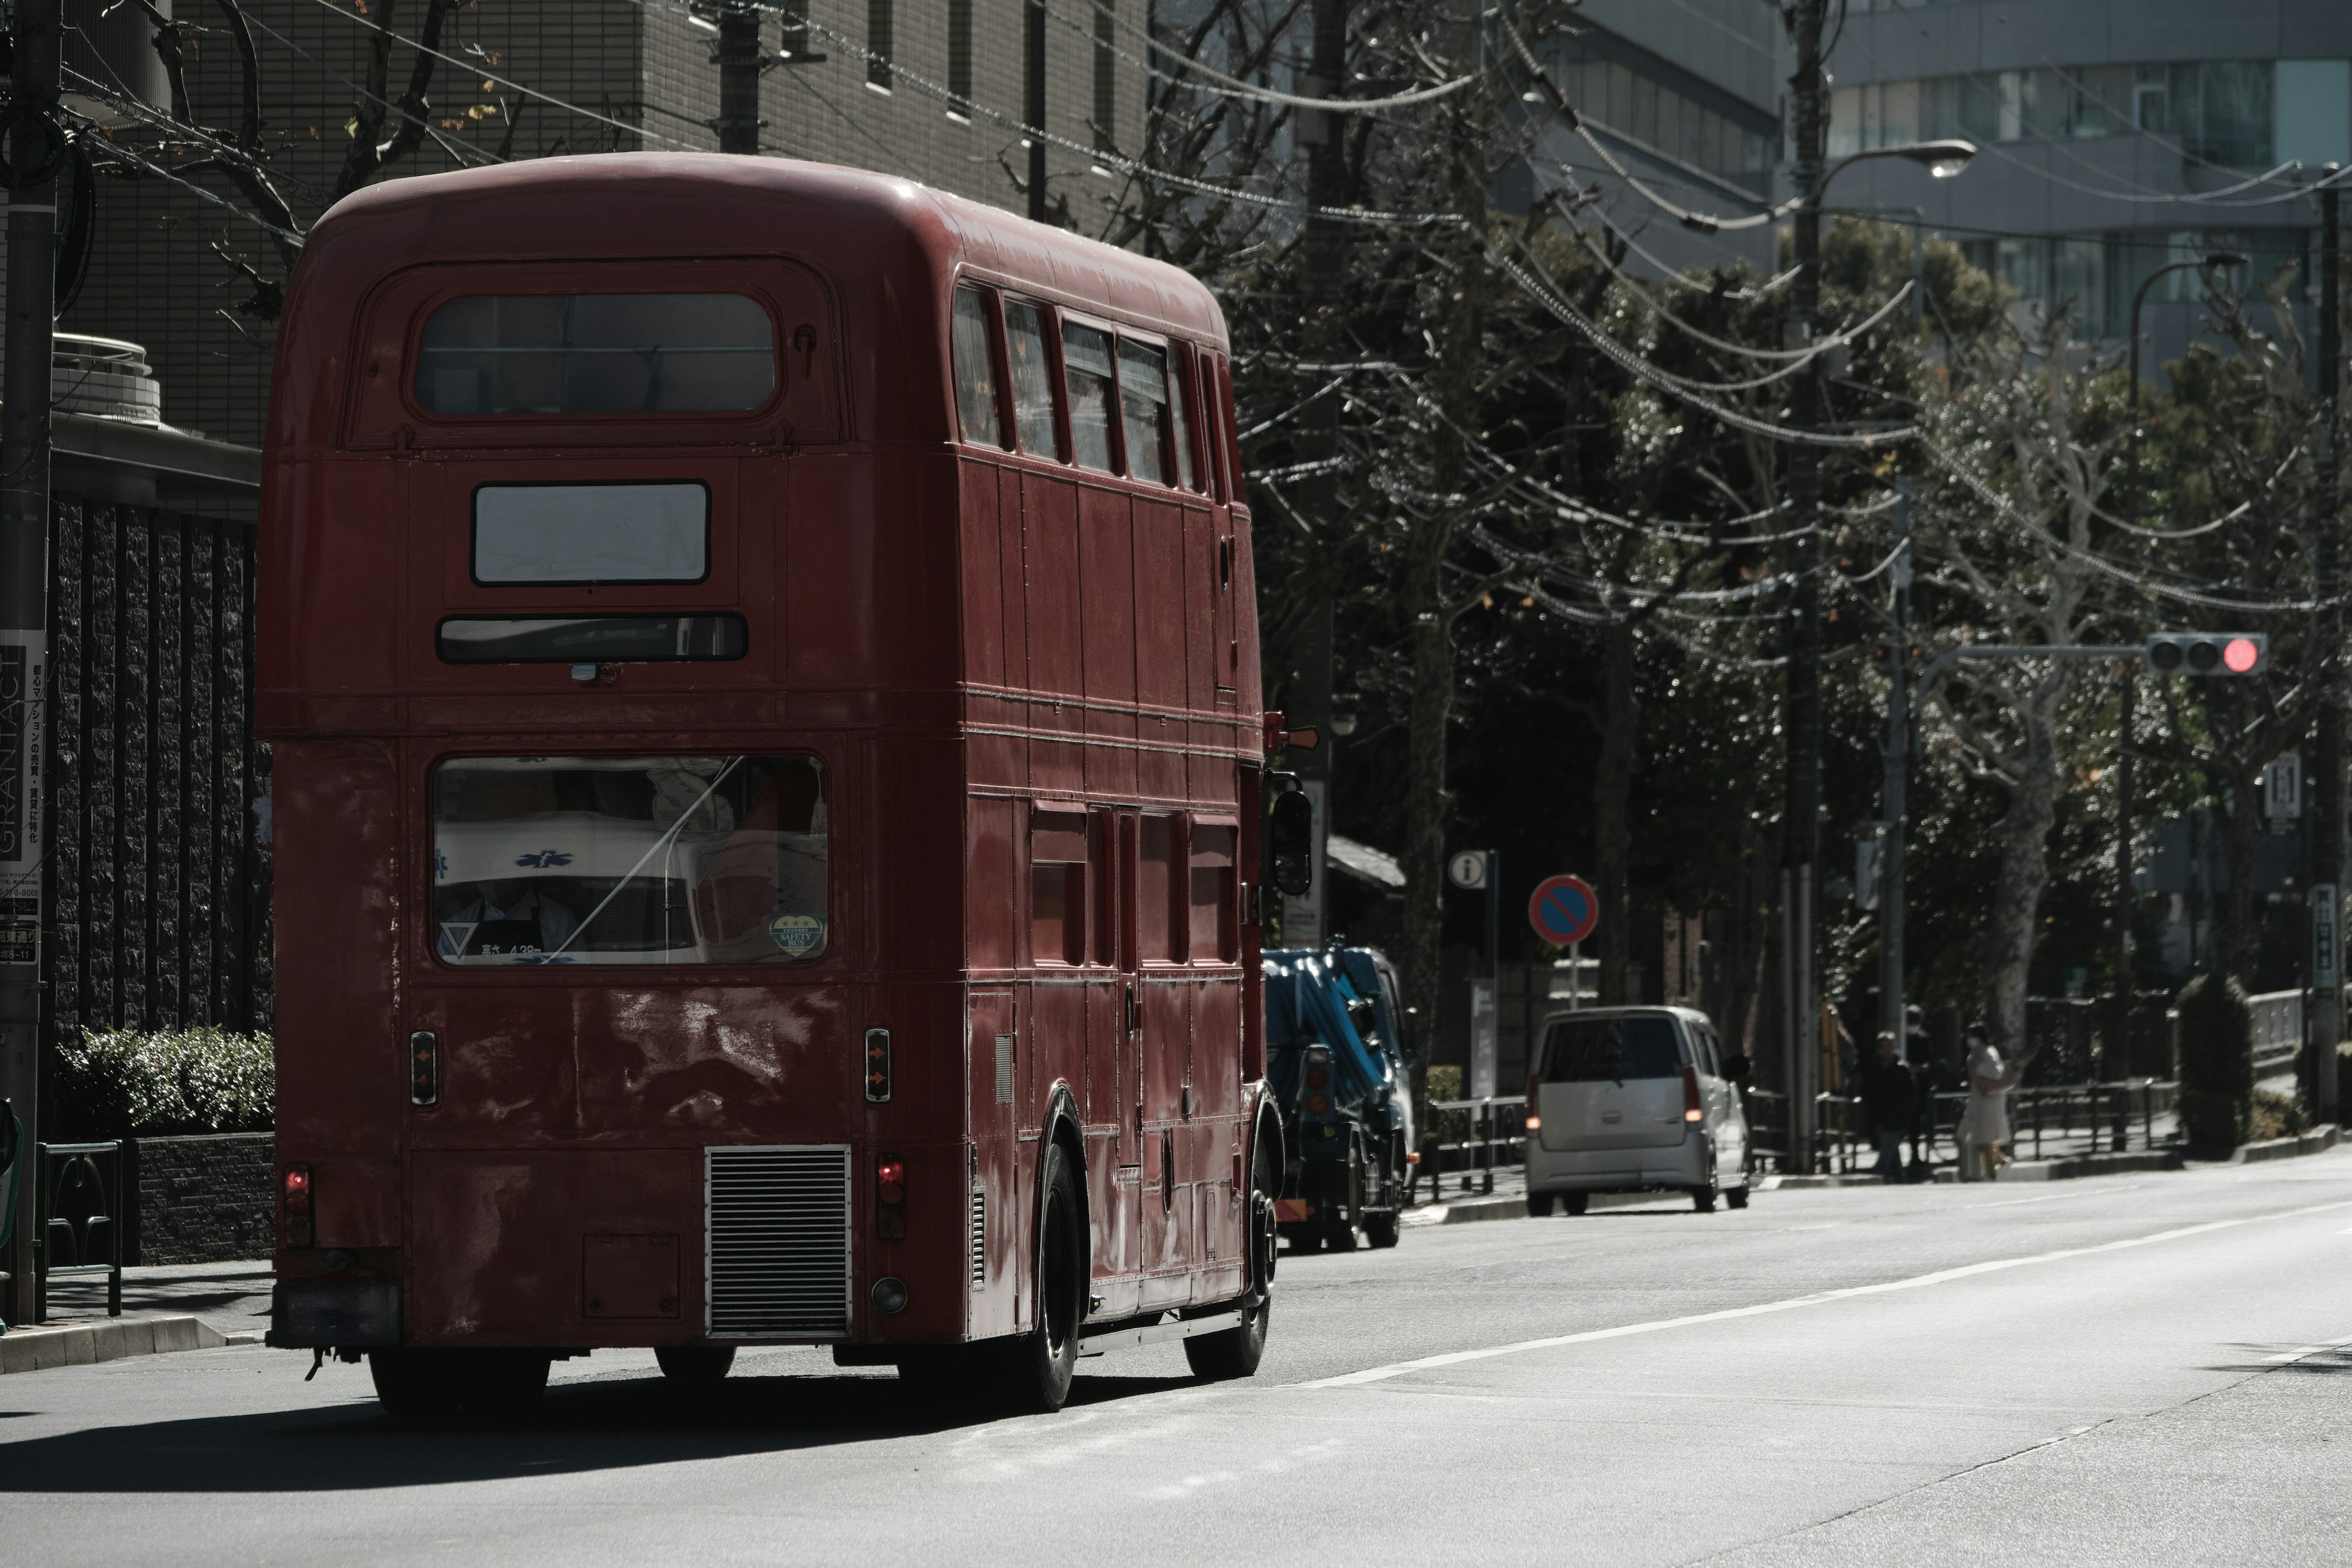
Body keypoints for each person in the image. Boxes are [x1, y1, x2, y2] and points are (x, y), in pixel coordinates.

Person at [1959, 1023, 2022, 1179]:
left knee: (1982, 1139)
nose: (1968, 1040)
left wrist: (1977, 1069)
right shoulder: (1982, 1051)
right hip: (1982, 1100)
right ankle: (1995, 1167)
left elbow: (1996, 1072)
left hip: (1988, 1101)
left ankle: (1994, 1169)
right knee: (1979, 1139)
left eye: (1970, 1036)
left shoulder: (1986, 1052)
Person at [1860, 1031, 1918, 1182]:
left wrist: (1904, 1112)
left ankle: (1879, 1170)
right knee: (1891, 1148)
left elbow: (1910, 1095)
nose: (1887, 1050)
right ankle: (1899, 1176)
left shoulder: (1902, 1069)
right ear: (1878, 1049)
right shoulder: (1873, 1069)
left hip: (1898, 1116)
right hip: (1879, 1115)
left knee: (1888, 1144)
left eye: (1890, 1046)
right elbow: (1867, 1091)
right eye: (1884, 1046)